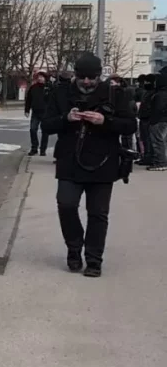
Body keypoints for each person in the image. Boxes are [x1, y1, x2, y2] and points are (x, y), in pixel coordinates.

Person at [40, 53, 138, 276]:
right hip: (69, 161)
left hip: (103, 163)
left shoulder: (115, 93)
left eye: (91, 77)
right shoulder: (61, 92)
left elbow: (130, 125)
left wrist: (106, 121)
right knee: (66, 205)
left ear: (99, 75)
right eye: (81, 76)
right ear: (75, 74)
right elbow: (46, 125)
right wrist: (66, 118)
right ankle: (74, 249)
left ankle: (94, 259)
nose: (86, 82)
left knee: (98, 213)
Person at [144, 72, 167, 171]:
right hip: (162, 120)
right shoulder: (163, 93)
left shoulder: (160, 94)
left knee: (157, 141)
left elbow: (158, 108)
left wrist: (153, 121)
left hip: (158, 120)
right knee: (161, 141)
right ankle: (160, 161)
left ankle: (161, 162)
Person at [25, 71, 51, 156]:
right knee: (33, 129)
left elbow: (53, 100)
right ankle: (34, 148)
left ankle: (43, 149)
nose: (39, 78)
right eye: (38, 77)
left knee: (45, 131)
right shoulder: (33, 87)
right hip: (35, 112)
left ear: (45, 78)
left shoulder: (49, 87)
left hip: (46, 112)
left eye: (41, 77)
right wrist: (27, 110)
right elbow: (29, 99)